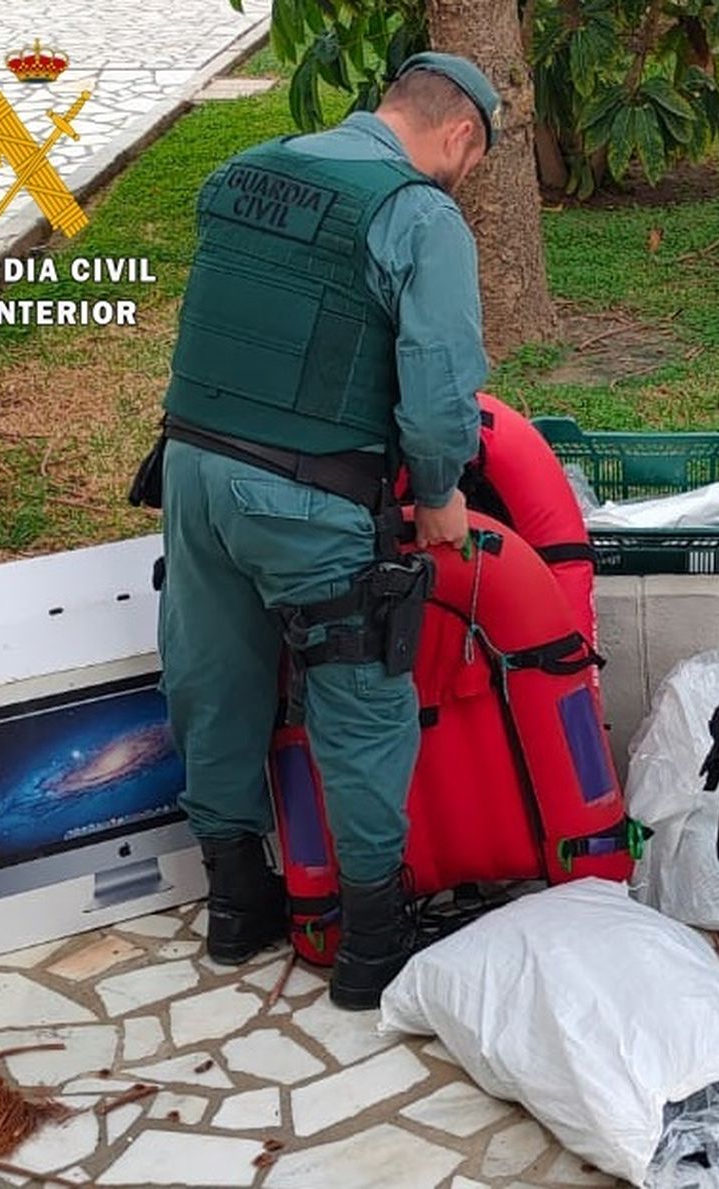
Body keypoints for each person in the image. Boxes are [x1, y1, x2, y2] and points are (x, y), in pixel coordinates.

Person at [152, 53, 500, 1011]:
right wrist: (438, 493)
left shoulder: (246, 168)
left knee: (214, 675)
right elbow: (436, 390)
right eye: (471, 161)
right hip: (306, 494)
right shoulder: (419, 214)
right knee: (360, 699)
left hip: (190, 468)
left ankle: (236, 903)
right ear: (460, 134)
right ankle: (372, 946)